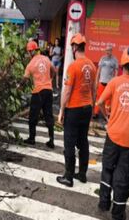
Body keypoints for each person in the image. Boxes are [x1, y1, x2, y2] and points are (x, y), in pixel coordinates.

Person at [97, 47, 129, 220]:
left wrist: (107, 117)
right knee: (123, 177)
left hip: (112, 135)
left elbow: (101, 101)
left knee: (107, 169)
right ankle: (118, 213)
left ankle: (104, 203)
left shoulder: (115, 82)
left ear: (122, 65)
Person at [56, 33, 96, 187]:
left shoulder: (73, 67)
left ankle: (68, 176)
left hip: (73, 109)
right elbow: (93, 90)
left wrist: (61, 110)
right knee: (83, 141)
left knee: (69, 143)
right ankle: (82, 174)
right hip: (87, 109)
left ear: (74, 47)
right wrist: (91, 109)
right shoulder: (92, 66)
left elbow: (66, 91)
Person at [20, 40, 56, 148]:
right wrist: (50, 79)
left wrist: (19, 87)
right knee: (48, 115)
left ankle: (32, 138)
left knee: (33, 116)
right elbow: (54, 70)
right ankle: (51, 140)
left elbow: (24, 79)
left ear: (31, 51)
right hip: (48, 90)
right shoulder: (46, 58)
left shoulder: (30, 64)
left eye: (28, 52)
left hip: (38, 92)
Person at [93, 45, 118, 119]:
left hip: (109, 83)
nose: (107, 52)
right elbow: (98, 70)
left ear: (111, 51)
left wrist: (114, 82)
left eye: (109, 50)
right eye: (106, 50)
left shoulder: (115, 60)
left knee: (108, 100)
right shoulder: (102, 59)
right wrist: (96, 81)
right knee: (98, 98)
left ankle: (106, 114)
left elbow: (116, 72)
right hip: (101, 82)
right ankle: (96, 113)